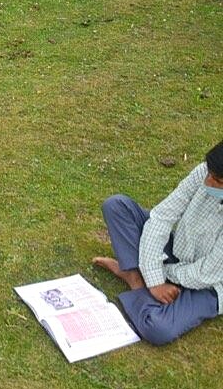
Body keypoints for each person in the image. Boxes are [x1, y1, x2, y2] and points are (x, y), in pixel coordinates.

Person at [93, 140, 223, 345]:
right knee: (117, 206)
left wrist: (160, 274)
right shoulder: (204, 172)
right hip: (178, 250)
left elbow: (206, 274)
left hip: (209, 286)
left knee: (158, 329)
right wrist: (154, 280)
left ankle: (135, 279)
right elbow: (162, 217)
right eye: (209, 173)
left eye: (217, 180)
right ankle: (135, 280)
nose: (208, 182)